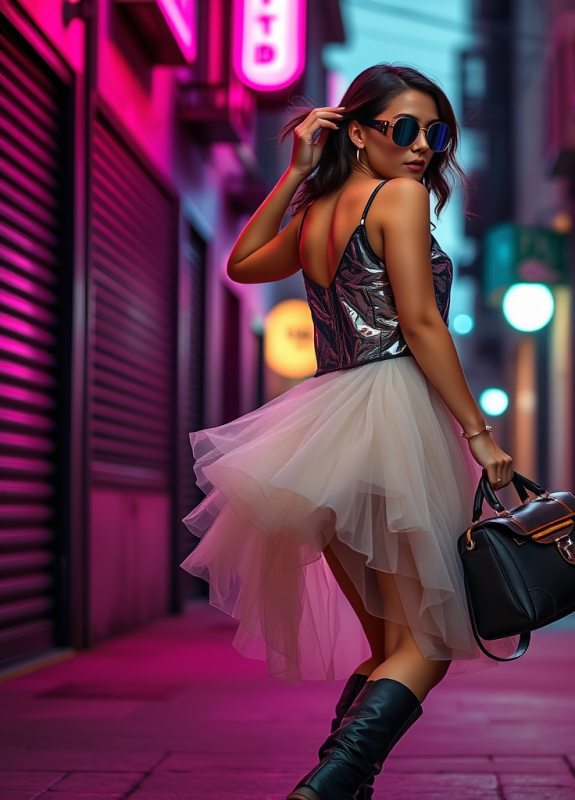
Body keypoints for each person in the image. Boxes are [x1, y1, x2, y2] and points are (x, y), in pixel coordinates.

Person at [181, 64, 515, 800]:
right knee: (426, 644)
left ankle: (345, 786)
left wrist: (296, 177)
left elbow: (242, 260)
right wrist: (479, 434)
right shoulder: (399, 196)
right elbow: (421, 324)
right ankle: (331, 785)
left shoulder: (323, 211)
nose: (424, 146)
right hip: (391, 414)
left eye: (437, 131)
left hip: (325, 429)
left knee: (390, 644)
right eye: (403, 129)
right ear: (359, 133)